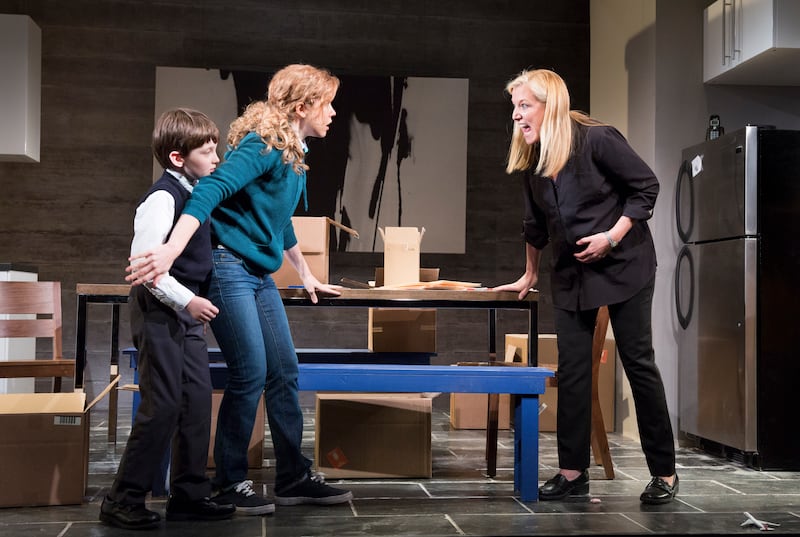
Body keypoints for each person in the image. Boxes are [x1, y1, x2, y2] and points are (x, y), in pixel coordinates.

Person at [125, 64, 353, 515]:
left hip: (258, 274)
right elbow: (210, 189)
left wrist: (305, 273)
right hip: (229, 266)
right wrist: (170, 250)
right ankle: (230, 481)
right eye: (327, 104)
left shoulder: (291, 152)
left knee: (284, 369)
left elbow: (279, 220)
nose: (332, 113)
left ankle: (293, 476)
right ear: (302, 106)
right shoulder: (263, 145)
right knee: (250, 371)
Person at [493, 69, 678, 504]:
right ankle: (573, 472)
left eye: (525, 105)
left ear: (550, 104)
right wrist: (529, 273)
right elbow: (534, 224)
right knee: (573, 370)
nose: (517, 115)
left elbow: (645, 188)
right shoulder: (534, 157)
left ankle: (664, 473)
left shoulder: (597, 140)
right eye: (515, 107)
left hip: (624, 265)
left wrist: (611, 236)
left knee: (638, 362)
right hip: (573, 273)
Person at [101, 108, 236, 529]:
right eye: (207, 151)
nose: (216, 158)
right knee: (161, 405)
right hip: (160, 309)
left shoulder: (197, 195)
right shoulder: (163, 198)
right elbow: (147, 269)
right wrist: (188, 301)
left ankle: (190, 495)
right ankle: (122, 500)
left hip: (183, 313)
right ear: (178, 158)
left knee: (196, 401)